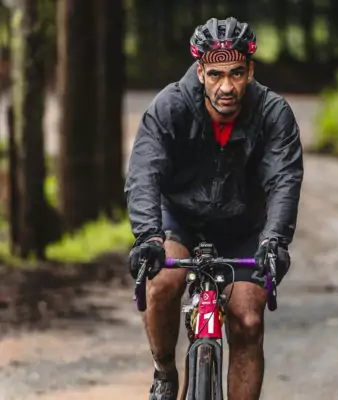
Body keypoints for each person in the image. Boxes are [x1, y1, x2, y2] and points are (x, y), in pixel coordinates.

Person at [124, 16, 304, 400]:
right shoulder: (169, 106)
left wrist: (275, 240)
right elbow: (144, 173)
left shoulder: (273, 113)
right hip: (180, 219)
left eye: (237, 74)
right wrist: (148, 237)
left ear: (250, 71)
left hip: (245, 227)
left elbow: (284, 181)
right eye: (216, 74)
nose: (227, 86)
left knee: (248, 321)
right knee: (163, 283)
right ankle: (165, 371)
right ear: (200, 72)